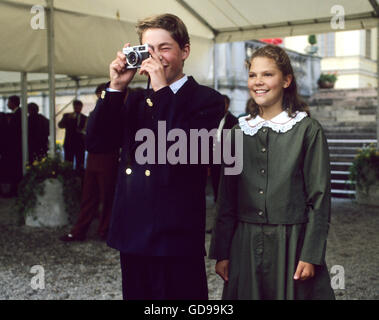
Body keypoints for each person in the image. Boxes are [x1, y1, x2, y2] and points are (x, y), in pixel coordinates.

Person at [86, 13, 224, 300]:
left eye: (165, 48)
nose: (157, 58)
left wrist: (161, 90)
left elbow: (183, 150)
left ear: (184, 51)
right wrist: (115, 88)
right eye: (149, 50)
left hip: (177, 235)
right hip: (133, 231)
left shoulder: (206, 99)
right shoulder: (133, 99)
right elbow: (98, 141)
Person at [209, 44, 335, 300]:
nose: (258, 82)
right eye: (253, 75)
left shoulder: (308, 131)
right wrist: (222, 251)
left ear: (286, 80)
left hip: (292, 243)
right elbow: (226, 200)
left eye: (267, 74)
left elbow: (320, 199)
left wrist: (310, 254)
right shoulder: (235, 134)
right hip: (244, 243)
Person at [60, 83, 119, 242]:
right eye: (100, 94)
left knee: (106, 197)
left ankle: (104, 231)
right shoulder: (96, 111)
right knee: (88, 196)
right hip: (93, 156)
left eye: (103, 94)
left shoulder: (116, 110)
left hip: (107, 156)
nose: (101, 97)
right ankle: (80, 230)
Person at [210, 94, 238, 202]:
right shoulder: (213, 118)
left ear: (228, 105)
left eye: (224, 103)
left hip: (227, 157)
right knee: (215, 180)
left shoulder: (234, 121)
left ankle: (226, 202)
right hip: (214, 156)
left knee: (227, 183)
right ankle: (217, 200)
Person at [2, 96, 22, 197]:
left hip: (14, 148)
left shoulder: (19, 114)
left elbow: (14, 132)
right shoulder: (15, 114)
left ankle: (14, 191)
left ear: (13, 103)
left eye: (8, 102)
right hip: (13, 148)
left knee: (15, 169)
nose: (7, 104)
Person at [58, 100, 87, 172]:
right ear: (73, 107)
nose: (77, 108)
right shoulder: (67, 115)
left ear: (81, 107)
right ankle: (68, 178)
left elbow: (86, 130)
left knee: (80, 163)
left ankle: (79, 178)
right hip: (69, 143)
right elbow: (60, 125)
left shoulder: (85, 117)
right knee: (68, 163)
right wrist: (67, 119)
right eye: (75, 106)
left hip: (80, 144)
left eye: (79, 106)